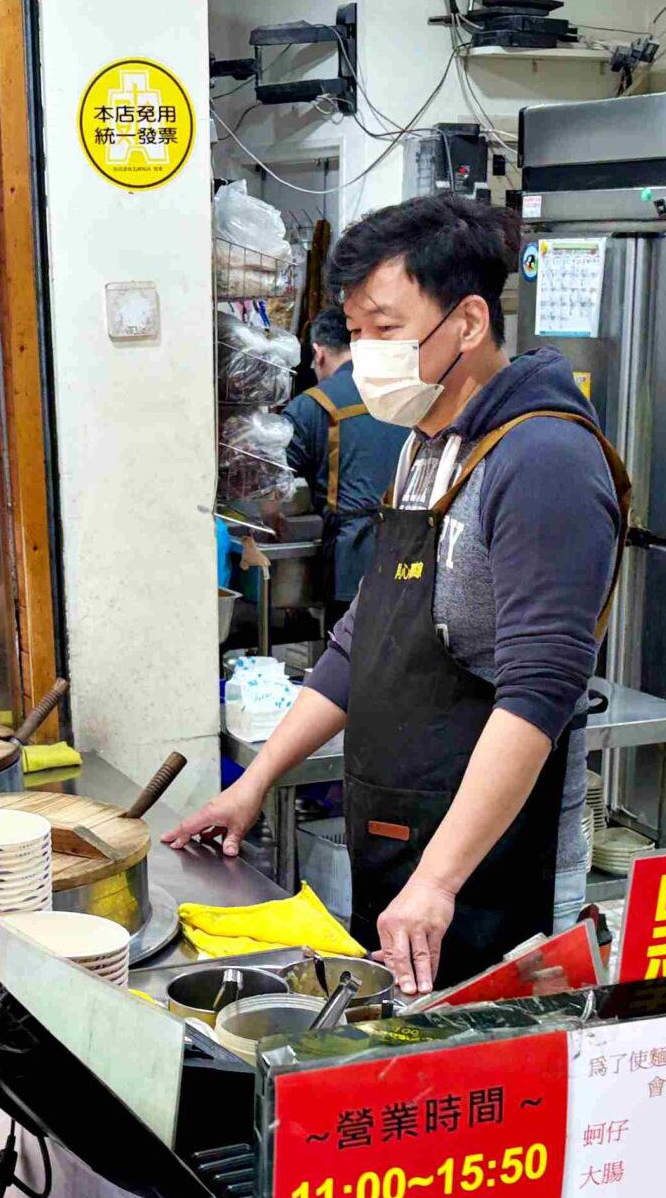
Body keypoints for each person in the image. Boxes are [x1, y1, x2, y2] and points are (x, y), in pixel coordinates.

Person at [168, 193, 626, 995]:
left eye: (386, 328)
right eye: (355, 332)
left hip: (490, 866)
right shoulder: (430, 441)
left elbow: (540, 691)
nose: (365, 354)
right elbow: (364, 638)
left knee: (489, 1078)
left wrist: (441, 879)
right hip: (408, 837)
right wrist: (255, 781)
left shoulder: (543, 457)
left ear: (470, 322)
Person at [278, 306, 408, 605]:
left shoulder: (311, 405)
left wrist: (274, 523)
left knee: (349, 647)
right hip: (410, 553)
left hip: (351, 560)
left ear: (318, 352)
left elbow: (273, 487)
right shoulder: (399, 391)